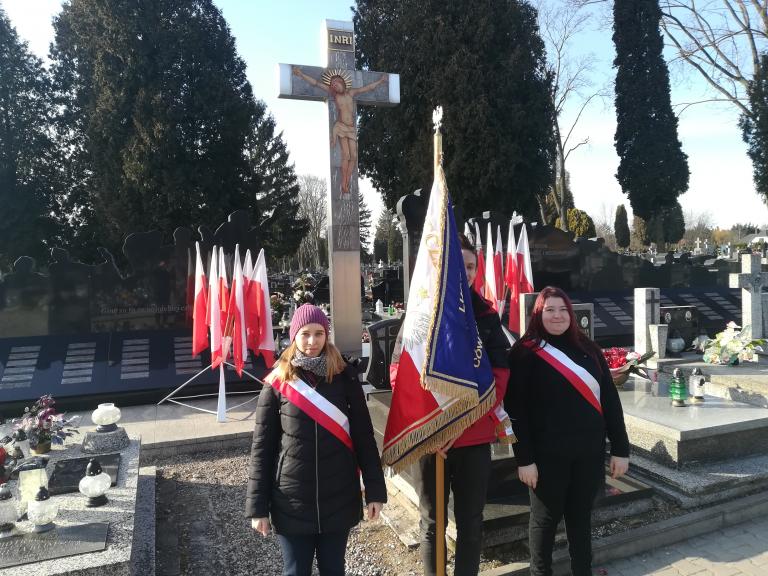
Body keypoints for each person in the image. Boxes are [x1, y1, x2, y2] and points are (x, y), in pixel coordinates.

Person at [245, 303, 386, 576]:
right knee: (296, 572)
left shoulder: (346, 376)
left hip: (339, 497)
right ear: (293, 335)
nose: (312, 341)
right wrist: (257, 508)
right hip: (291, 501)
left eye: (319, 333)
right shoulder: (277, 382)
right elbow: (262, 448)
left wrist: (375, 491)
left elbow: (364, 437)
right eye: (305, 333)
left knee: (334, 570)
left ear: (327, 334)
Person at [407, 233, 512, 576]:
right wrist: (435, 427)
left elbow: (500, 373)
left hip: (473, 436)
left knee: (470, 522)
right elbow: (402, 371)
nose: (465, 271)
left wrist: (459, 424)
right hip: (431, 437)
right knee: (431, 520)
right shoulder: (423, 310)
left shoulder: (486, 315)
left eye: (470, 266)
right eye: (459, 265)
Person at [506, 286, 630, 576]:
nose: (557, 316)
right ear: (538, 313)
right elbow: (516, 412)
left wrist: (621, 450)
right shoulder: (525, 353)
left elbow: (610, 401)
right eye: (550, 310)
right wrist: (524, 459)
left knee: (580, 521)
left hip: (587, 454)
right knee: (544, 523)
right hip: (546, 459)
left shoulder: (588, 349)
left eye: (563, 309)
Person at [292, 66, 387, 195]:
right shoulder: (334, 94)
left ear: (342, 83)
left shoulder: (351, 93)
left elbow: (367, 88)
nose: (335, 86)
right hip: (341, 127)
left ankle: (347, 180)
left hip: (352, 128)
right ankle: (344, 183)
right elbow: (316, 83)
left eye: (337, 84)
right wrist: (301, 74)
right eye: (333, 85)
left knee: (353, 156)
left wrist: (381, 81)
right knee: (346, 155)